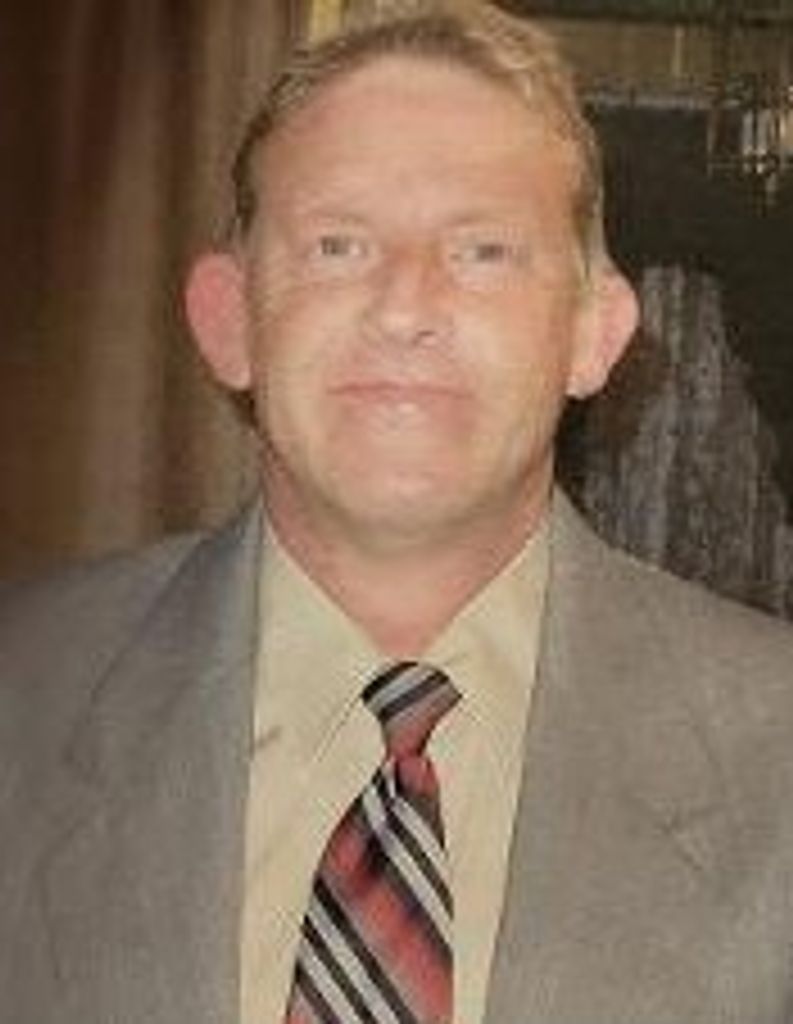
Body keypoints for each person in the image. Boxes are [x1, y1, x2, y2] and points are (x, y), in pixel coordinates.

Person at [2, 2, 793, 1022]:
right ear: (227, 320)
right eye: (337, 244)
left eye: (483, 251)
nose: (406, 306)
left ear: (593, 335)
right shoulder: (23, 694)